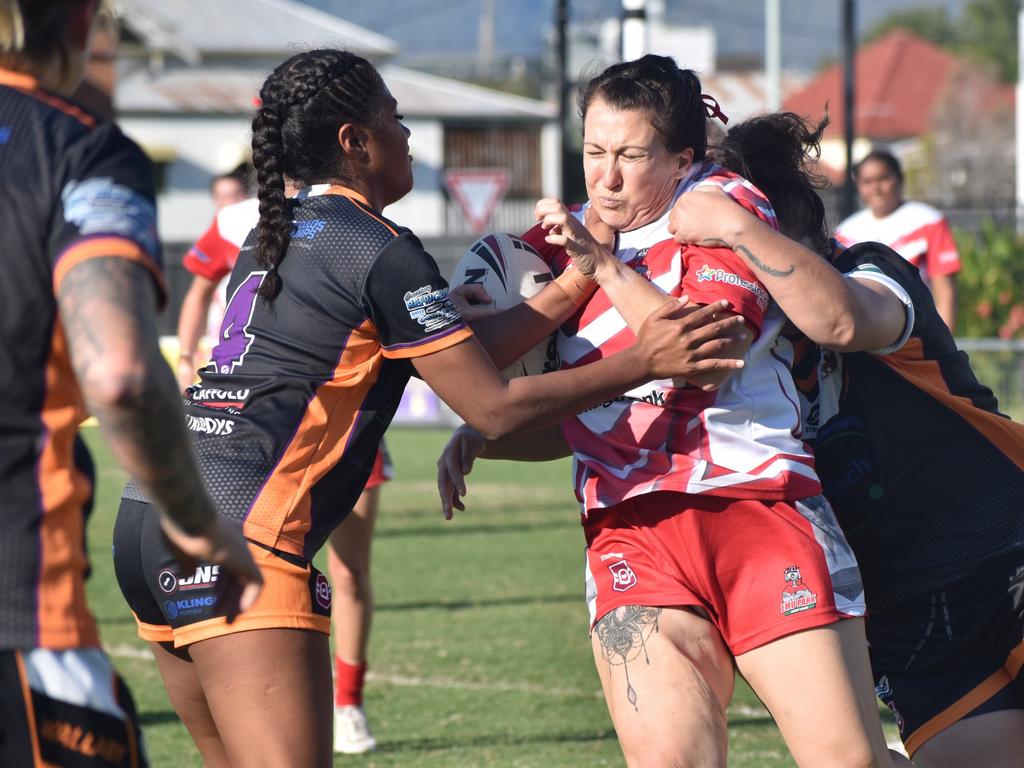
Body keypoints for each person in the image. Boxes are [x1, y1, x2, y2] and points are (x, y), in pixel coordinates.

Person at [109, 47, 724, 768]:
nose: (405, 137)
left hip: (150, 517)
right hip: (244, 530)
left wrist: (571, 286)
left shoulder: (274, 232)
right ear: (355, 142)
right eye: (394, 120)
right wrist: (644, 363)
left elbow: (464, 357)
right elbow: (491, 408)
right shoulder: (380, 247)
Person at [438, 55, 908, 768]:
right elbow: (592, 405)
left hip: (757, 510)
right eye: (594, 153)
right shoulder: (565, 234)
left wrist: (603, 269)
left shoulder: (718, 207)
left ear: (682, 156)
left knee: (849, 761)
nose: (607, 176)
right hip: (630, 531)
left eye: (630, 155)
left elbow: (702, 358)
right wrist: (485, 410)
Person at [667, 111, 1024, 767]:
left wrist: (738, 226)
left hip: (1006, 548)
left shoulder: (867, 271)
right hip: (914, 621)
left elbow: (839, 318)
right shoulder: (729, 342)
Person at [0, 1, 263, 766]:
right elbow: (117, 370)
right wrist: (194, 520)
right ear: (82, 25)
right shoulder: (75, 149)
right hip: (20, 617)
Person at [177, 177, 397, 754]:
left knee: (349, 570)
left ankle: (348, 703)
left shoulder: (351, 230)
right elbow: (201, 286)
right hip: (264, 438)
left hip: (335, 417)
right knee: (287, 566)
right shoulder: (247, 220)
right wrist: (185, 352)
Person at [835, 149, 961, 332]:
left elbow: (945, 292)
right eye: (867, 182)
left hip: (919, 335)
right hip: (866, 338)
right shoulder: (845, 231)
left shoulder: (929, 220)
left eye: (883, 178)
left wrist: (945, 344)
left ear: (900, 179)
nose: (876, 189)